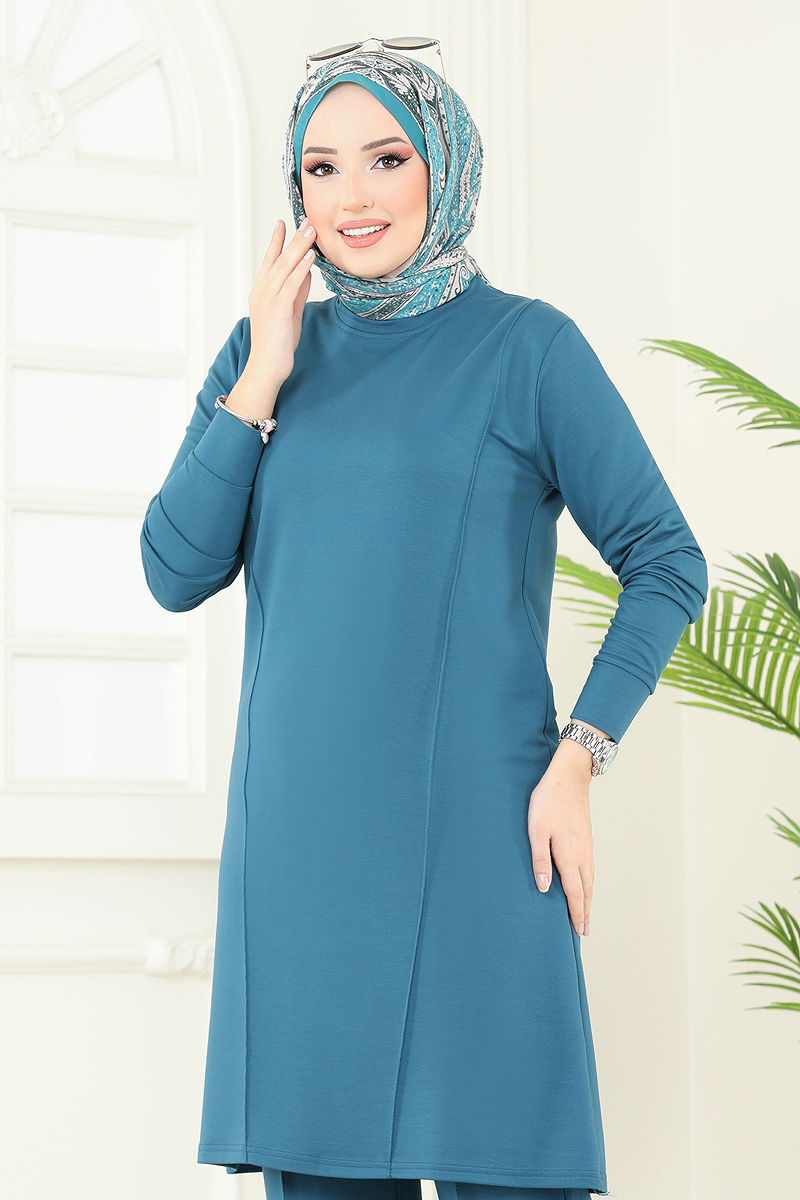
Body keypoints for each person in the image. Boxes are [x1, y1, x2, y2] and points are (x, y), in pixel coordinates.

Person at [139, 47, 708, 1200]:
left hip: (482, 839)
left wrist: (579, 756)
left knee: (510, 1165)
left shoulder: (526, 348)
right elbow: (173, 570)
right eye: (320, 167)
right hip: (300, 858)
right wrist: (262, 374)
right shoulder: (262, 355)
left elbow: (665, 559)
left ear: (443, 167)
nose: (351, 196)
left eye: (385, 159)